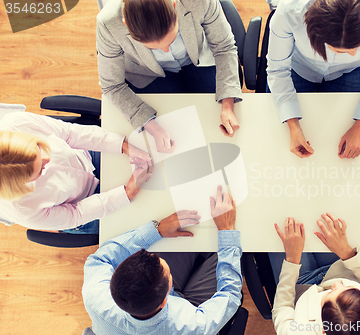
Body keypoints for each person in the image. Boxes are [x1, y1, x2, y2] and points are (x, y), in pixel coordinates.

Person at [82, 185, 242, 334]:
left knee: (190, 234)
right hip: (191, 309)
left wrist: (156, 230)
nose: (161, 260)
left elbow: (101, 259)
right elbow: (230, 295)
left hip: (162, 303)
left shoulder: (95, 295)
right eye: (168, 272)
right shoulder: (193, 327)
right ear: (165, 301)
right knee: (236, 248)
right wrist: (226, 230)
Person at [97, 0, 243, 152]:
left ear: (174, 6)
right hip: (147, 73)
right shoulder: (108, 23)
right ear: (125, 24)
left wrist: (227, 104)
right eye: (152, 47)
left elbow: (224, 46)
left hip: (198, 58)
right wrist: (153, 127)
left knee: (211, 116)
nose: (165, 51)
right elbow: (112, 85)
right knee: (175, 128)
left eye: (171, 39)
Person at [267, 0, 360, 159]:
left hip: (353, 70)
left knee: (339, 132)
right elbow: (278, 68)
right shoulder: (289, 9)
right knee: (277, 141)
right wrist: (293, 125)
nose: (353, 53)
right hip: (299, 67)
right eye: (341, 50)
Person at [0, 112, 151, 234]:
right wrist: (127, 192)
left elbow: (70, 134)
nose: (49, 158)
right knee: (145, 219)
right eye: (40, 170)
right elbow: (76, 214)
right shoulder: (22, 210)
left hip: (84, 157)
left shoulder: (16, 123)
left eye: (38, 148)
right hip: (79, 206)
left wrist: (122, 146)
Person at [272, 215, 360, 334]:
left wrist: (292, 261)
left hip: (298, 282)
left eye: (330, 293)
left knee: (278, 225)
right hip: (343, 266)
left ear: (323, 330)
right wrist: (347, 253)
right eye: (350, 290)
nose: (336, 284)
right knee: (326, 215)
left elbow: (282, 308)